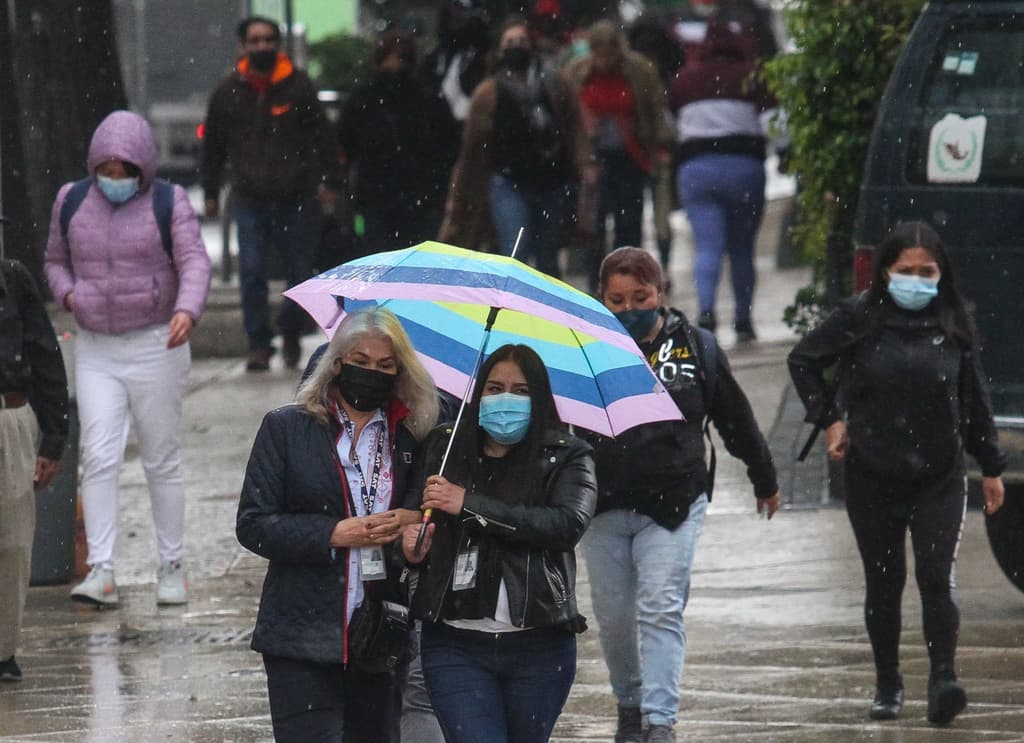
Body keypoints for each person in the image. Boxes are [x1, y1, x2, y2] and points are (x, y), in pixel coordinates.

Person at [787, 221, 1006, 726]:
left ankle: (943, 678)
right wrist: (831, 420)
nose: (915, 281)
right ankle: (888, 682)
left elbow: (974, 400)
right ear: (884, 272)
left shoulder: (955, 323)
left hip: (939, 472)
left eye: (925, 272)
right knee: (883, 582)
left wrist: (991, 465)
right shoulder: (857, 318)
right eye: (904, 271)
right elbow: (803, 361)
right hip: (872, 471)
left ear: (940, 273)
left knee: (935, 576)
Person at [583, 247, 779, 743]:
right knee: (613, 617)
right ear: (601, 300)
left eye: (641, 296)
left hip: (674, 503)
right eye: (617, 300)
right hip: (602, 506)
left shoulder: (696, 347)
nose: (630, 308)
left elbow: (734, 417)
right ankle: (629, 703)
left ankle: (659, 720)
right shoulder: (584, 351)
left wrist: (764, 477)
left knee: (660, 607)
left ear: (661, 292)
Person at [236, 307, 439, 742]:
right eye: (361, 362)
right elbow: (254, 524)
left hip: (381, 632)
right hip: (302, 633)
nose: (372, 373)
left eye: (386, 365)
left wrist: (411, 534)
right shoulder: (286, 428)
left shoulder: (413, 437)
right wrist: (332, 533)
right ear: (337, 363)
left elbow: (423, 519)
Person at [45, 110, 212, 608]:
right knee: (98, 455)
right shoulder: (71, 201)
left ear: (143, 168)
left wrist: (187, 310)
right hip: (97, 345)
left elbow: (194, 260)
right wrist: (69, 294)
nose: (115, 179)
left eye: (125, 171)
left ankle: (172, 566)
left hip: (156, 342)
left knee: (160, 457)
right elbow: (55, 260)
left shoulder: (169, 201)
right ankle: (101, 568)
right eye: (107, 169)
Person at [401, 343, 597, 743]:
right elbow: (410, 518)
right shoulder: (445, 447)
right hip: (455, 643)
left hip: (540, 646)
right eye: (494, 388)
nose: (505, 399)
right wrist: (409, 549)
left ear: (540, 397)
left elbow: (565, 523)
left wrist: (467, 505)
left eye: (521, 390)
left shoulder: (568, 456)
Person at [201, 15, 342, 371]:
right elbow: (213, 146)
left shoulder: (298, 87)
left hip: (296, 196)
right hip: (249, 197)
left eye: (268, 40)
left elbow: (323, 138)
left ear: (277, 45)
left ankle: (292, 330)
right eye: (255, 40)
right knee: (251, 273)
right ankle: (259, 343)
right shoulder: (228, 92)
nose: (262, 46)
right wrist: (210, 191)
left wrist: (331, 181)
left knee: (299, 273)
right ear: (243, 46)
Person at [440, 14, 592, 277]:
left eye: (522, 40)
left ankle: (548, 315)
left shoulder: (554, 84)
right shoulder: (488, 94)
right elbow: (471, 151)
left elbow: (574, 128)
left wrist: (584, 166)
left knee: (548, 256)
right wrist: (458, 197)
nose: (517, 46)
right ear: (500, 50)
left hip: (552, 181)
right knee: (515, 255)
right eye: (510, 42)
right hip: (509, 182)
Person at [669, 20, 776, 341]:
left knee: (707, 247)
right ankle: (743, 320)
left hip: (697, 170)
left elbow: (672, 125)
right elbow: (775, 125)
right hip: (745, 170)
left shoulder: (683, 81)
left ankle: (706, 314)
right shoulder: (753, 77)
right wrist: (784, 151)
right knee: (743, 250)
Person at [0, 247, 69, 682]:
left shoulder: (13, 278)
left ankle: (2, 649)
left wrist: (55, 438)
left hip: (9, 416)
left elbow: (45, 355)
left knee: (12, 542)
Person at [566, 20, 674, 293]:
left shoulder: (639, 70)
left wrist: (658, 146)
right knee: (594, 227)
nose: (604, 59)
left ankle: (629, 282)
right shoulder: (578, 72)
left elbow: (655, 108)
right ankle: (597, 285)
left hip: (631, 158)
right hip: (593, 162)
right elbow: (568, 114)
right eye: (598, 51)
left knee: (629, 224)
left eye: (609, 51)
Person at [338, 31, 458, 254]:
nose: (395, 66)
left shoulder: (424, 98)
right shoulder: (425, 97)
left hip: (408, 195)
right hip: (393, 195)